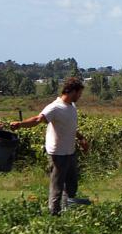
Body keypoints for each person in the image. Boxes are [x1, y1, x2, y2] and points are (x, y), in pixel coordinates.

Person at [10, 77, 88, 215]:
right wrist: (20, 124)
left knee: (71, 186)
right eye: (79, 93)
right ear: (72, 91)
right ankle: (53, 215)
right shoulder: (55, 107)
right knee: (57, 187)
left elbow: (70, 127)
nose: (80, 97)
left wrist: (81, 138)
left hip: (70, 152)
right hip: (57, 154)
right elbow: (37, 119)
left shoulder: (71, 107)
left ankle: (66, 211)